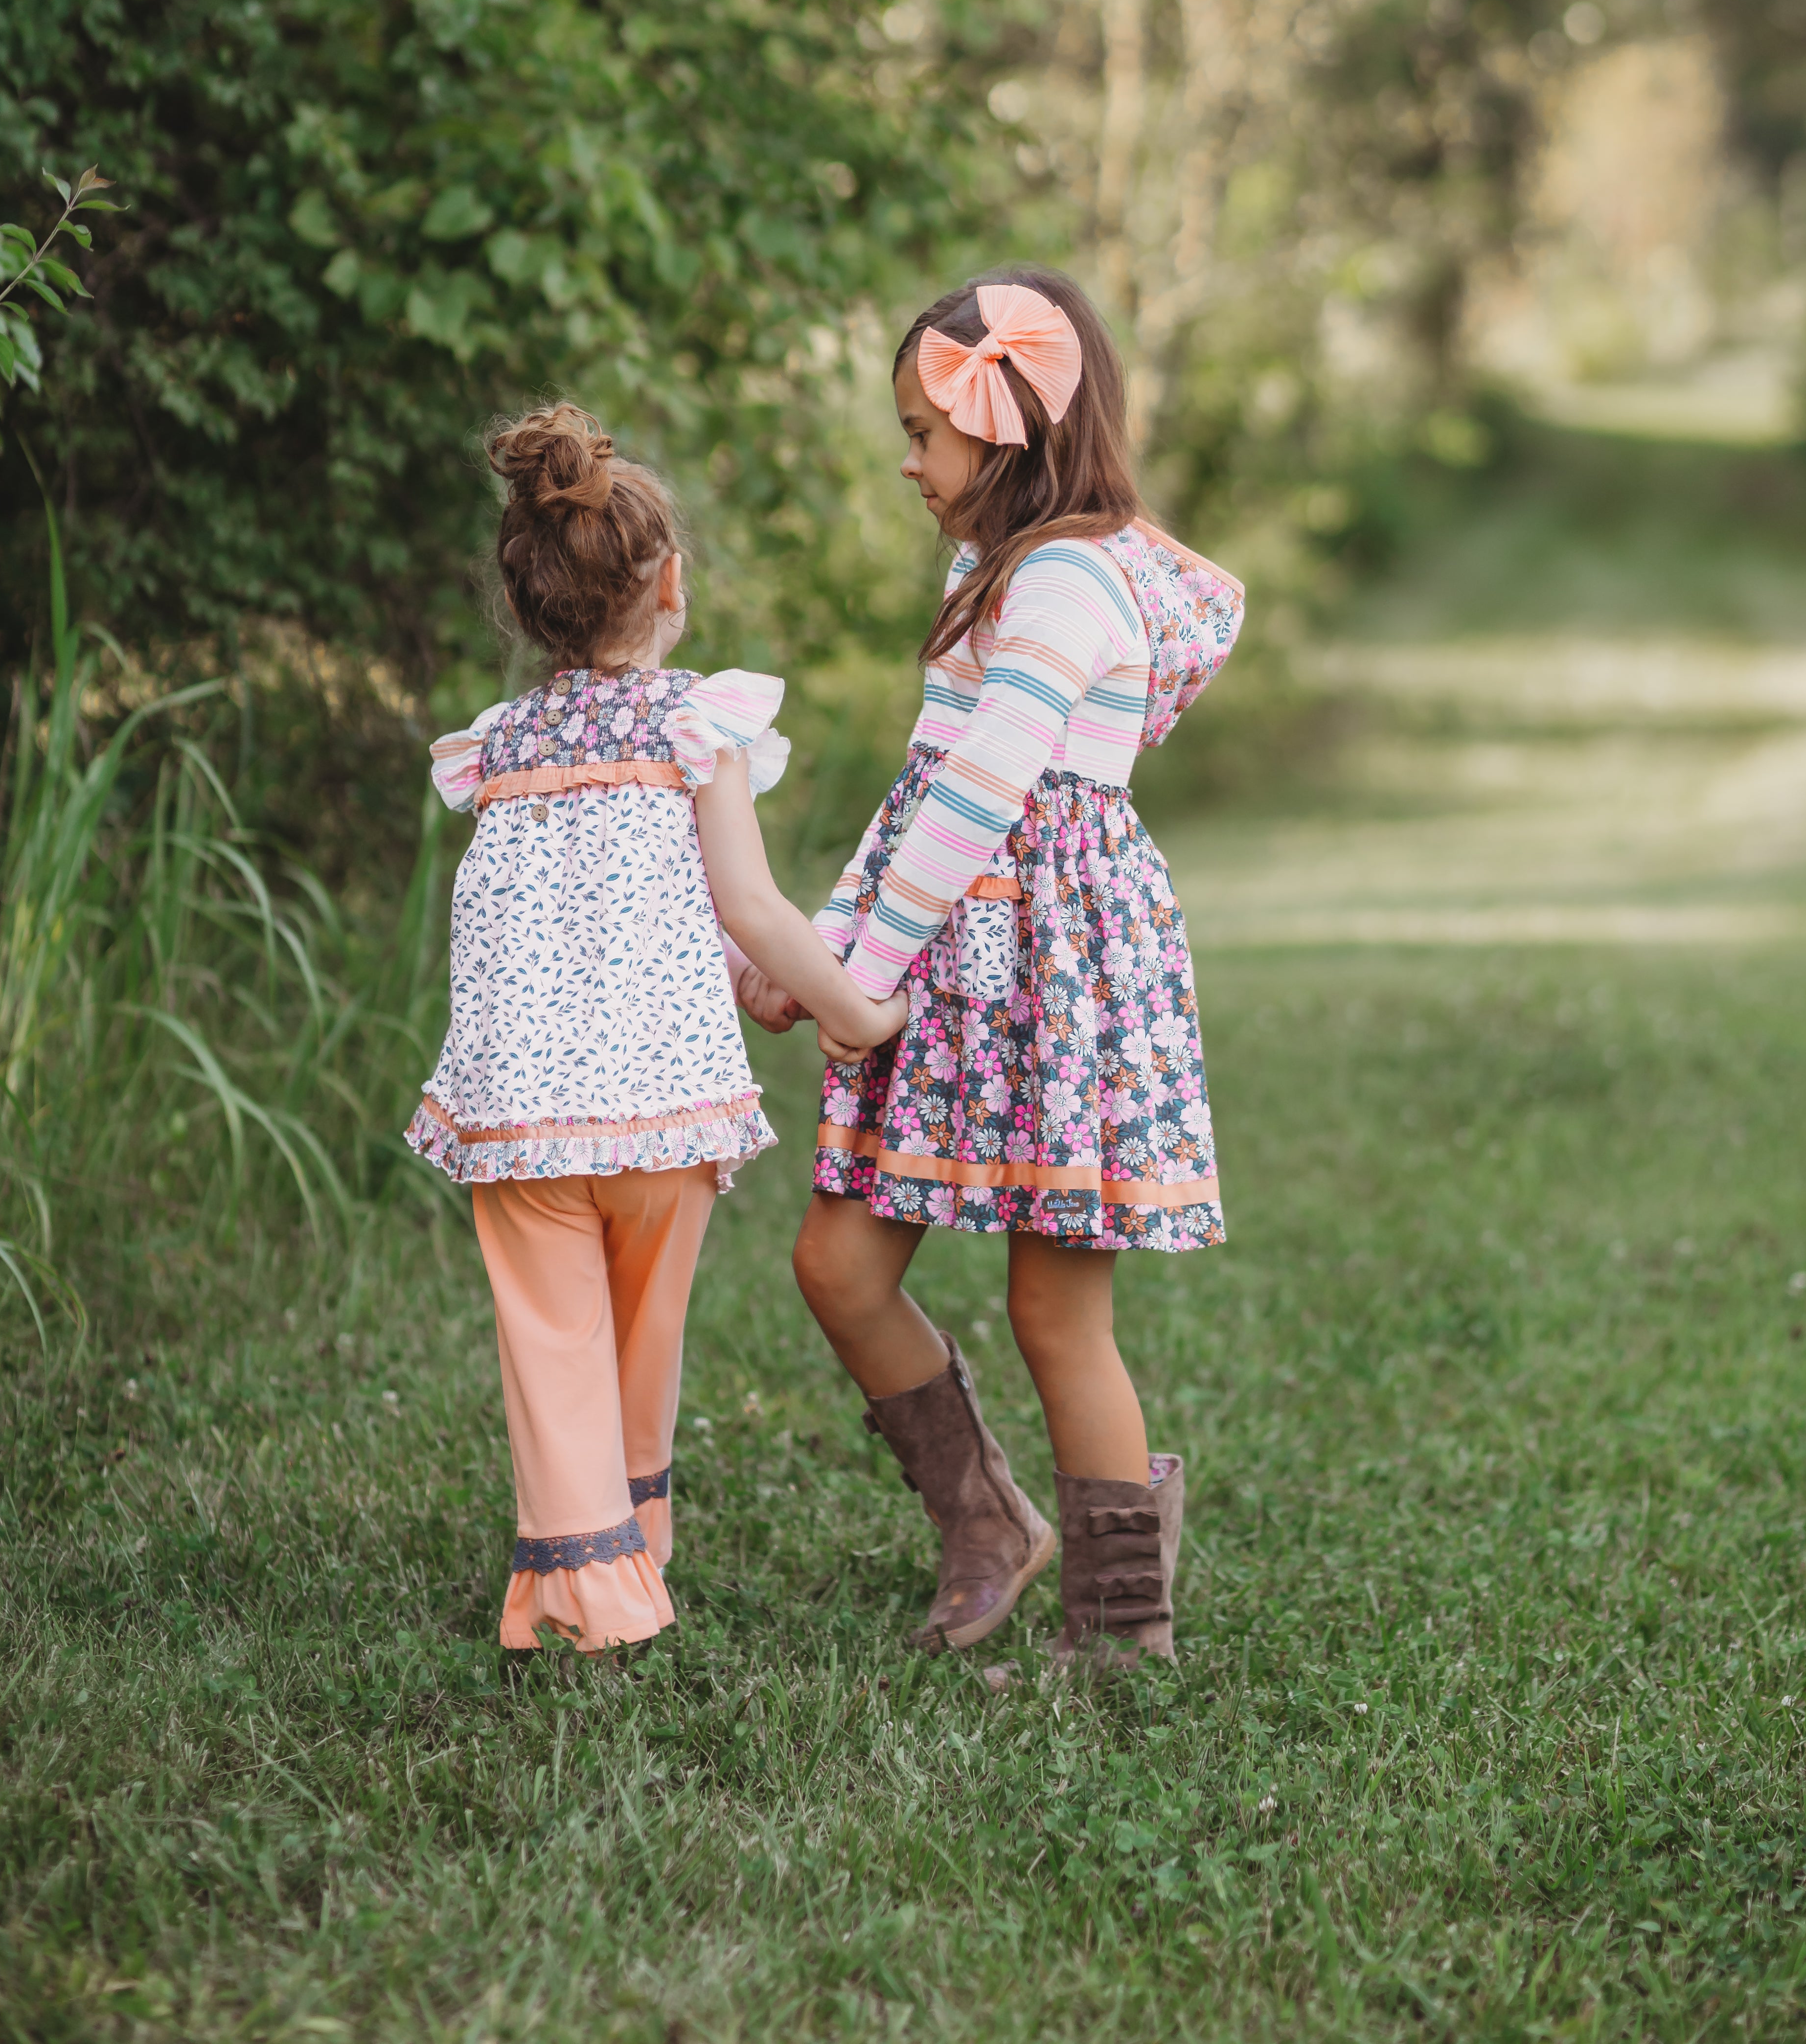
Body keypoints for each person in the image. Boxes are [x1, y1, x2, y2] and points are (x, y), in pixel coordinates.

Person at [738, 270, 1243, 1668]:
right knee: (838, 1261)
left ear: (1005, 426)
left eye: (922, 432)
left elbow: (991, 786)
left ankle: (1121, 1620)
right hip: (941, 966)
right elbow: (919, 790)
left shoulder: (1077, 579)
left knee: (1053, 1306)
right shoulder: (985, 573)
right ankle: (986, 1523)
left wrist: (864, 978)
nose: (908, 462)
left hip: (1053, 985)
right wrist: (822, 955)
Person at [407, 403, 906, 1659]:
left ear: (526, 605)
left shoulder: (497, 747)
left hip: (524, 1109)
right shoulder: (696, 728)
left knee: (550, 1342)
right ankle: (626, 1560)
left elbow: (606, 901)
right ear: (669, 582)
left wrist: (739, 971)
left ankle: (587, 1588)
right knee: (644, 1339)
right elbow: (740, 897)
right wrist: (850, 1008)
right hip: (661, 1108)